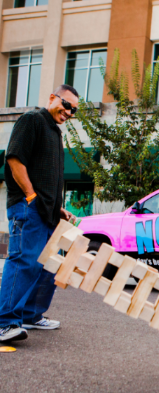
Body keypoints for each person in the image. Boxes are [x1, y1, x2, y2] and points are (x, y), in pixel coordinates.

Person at [0, 85, 79, 343]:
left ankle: (31, 316)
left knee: (47, 266)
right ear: (52, 98)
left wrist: (57, 208)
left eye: (74, 110)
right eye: (66, 105)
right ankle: (4, 323)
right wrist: (31, 196)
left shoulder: (55, 133)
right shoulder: (32, 120)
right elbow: (14, 159)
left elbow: (45, 176)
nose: (69, 112)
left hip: (47, 212)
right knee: (24, 260)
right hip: (27, 207)